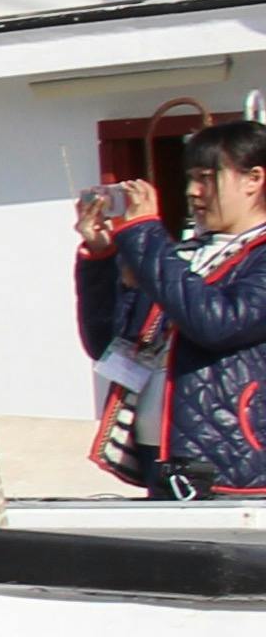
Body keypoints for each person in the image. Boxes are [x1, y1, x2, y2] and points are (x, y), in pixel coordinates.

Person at [84, 121, 266, 498]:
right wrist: (102, 258)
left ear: (253, 179)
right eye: (190, 178)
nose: (192, 192)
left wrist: (145, 235)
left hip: (234, 458)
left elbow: (217, 323)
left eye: (206, 178)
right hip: (163, 451)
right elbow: (107, 341)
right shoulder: (182, 255)